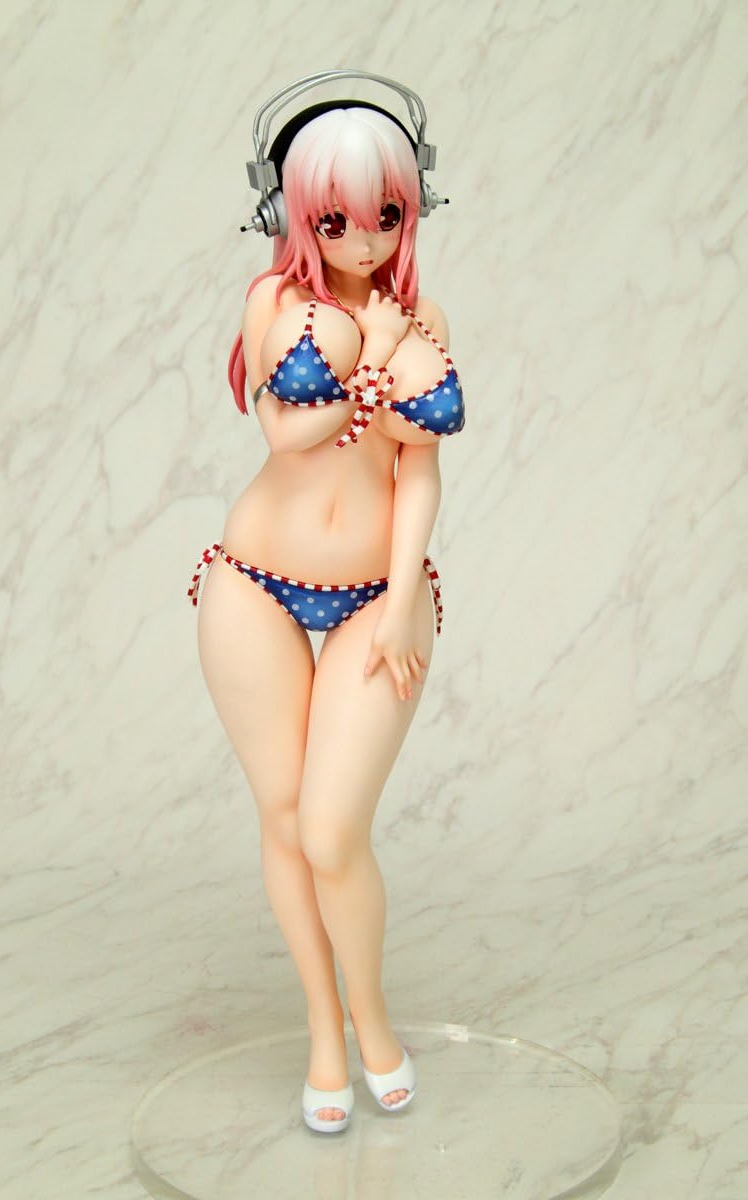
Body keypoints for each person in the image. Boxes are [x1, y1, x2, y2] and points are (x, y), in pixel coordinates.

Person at [187, 102, 465, 1133]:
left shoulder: (428, 318)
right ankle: (321, 1030)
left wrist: (400, 600)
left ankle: (371, 1016)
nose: (363, 238)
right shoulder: (274, 300)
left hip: (375, 596)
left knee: (333, 828)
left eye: (386, 213)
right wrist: (371, 355)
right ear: (293, 215)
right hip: (253, 578)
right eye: (335, 219)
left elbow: (419, 474)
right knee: (283, 817)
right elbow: (283, 429)